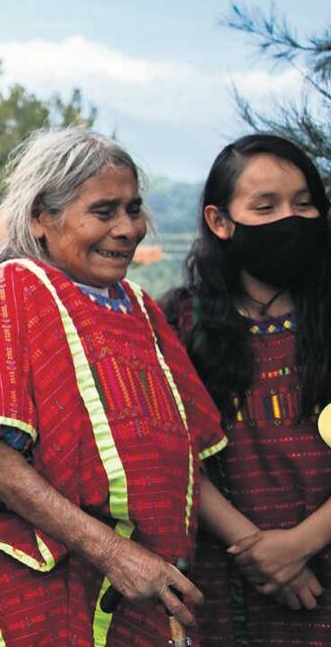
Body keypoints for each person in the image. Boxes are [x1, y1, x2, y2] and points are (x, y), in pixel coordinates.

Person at [0, 128, 227, 646]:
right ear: (41, 218)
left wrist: (259, 548)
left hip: (132, 591)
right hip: (39, 595)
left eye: (134, 208)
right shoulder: (17, 291)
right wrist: (115, 553)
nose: (128, 229)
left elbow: (189, 456)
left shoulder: (140, 311)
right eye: (104, 212)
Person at [161, 134, 331, 645]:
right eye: (266, 206)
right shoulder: (179, 324)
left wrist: (302, 543)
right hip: (230, 588)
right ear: (220, 221)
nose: (291, 219)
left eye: (304, 204)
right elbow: (176, 454)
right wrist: (258, 550)